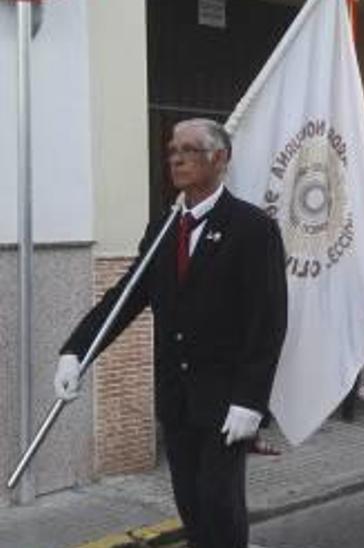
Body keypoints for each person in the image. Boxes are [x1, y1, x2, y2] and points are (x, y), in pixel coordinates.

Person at [53, 119, 287, 548]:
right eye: (172, 150)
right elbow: (124, 298)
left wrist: (251, 400)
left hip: (225, 400)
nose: (176, 158)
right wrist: (76, 352)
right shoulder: (163, 227)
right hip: (178, 395)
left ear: (220, 158)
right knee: (191, 502)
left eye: (190, 150)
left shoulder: (253, 229)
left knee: (220, 501)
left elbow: (267, 322)